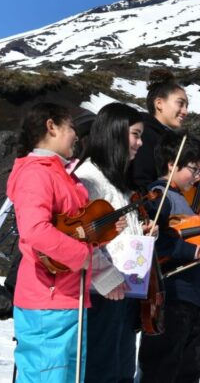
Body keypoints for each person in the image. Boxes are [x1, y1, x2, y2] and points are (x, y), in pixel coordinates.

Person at [6, 102, 98, 382]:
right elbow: (35, 230)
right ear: (51, 126)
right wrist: (80, 255)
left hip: (66, 297)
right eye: (71, 128)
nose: (76, 136)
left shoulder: (58, 172)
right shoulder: (37, 172)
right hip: (48, 300)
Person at [137, 132, 200, 383]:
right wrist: (193, 251)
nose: (198, 177)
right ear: (172, 164)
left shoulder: (182, 199)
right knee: (164, 367)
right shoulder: (159, 196)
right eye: (193, 169)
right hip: (169, 294)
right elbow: (157, 241)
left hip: (187, 296)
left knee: (189, 369)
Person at [76, 102, 147, 383]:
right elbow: (80, 238)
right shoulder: (88, 179)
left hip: (122, 290)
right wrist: (104, 276)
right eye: (135, 135)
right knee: (102, 371)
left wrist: (140, 233)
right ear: (115, 133)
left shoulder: (116, 182)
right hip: (100, 291)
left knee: (121, 372)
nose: (140, 143)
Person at [131, 68, 188, 190]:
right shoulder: (145, 135)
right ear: (159, 104)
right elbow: (141, 182)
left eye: (186, 106)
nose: (185, 111)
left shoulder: (169, 138)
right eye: (180, 104)